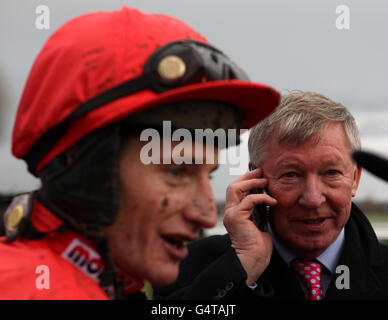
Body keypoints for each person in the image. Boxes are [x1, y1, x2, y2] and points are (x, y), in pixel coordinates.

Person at [0, 7, 280, 299]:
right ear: (83, 163)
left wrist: (240, 266)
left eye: (207, 177)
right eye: (176, 171)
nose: (208, 215)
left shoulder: (106, 283)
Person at [154, 91, 388, 300]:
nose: (313, 199)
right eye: (290, 175)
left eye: (331, 173)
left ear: (354, 179)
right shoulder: (187, 268)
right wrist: (241, 269)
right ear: (254, 181)